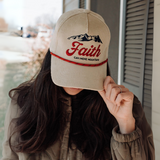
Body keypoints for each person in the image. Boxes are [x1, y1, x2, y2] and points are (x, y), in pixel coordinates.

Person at [1, 9, 155, 160]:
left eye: (86, 72)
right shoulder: (22, 102)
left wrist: (126, 124)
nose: (76, 82)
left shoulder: (126, 107)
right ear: (52, 56)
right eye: (70, 70)